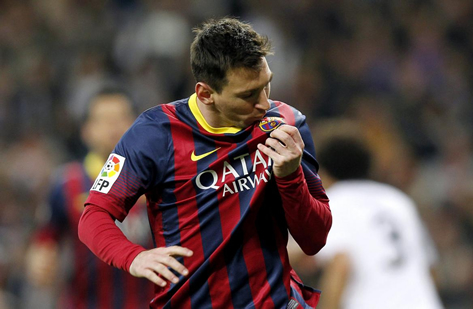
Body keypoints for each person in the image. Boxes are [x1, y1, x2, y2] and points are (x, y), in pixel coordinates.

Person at [78, 17, 332, 308]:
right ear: (205, 94)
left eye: (267, 85)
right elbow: (94, 215)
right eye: (248, 95)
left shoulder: (287, 124)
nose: (264, 103)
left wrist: (290, 177)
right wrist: (134, 257)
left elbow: (315, 239)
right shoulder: (154, 136)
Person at [26, 86, 154, 308]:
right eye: (104, 119)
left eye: (121, 117)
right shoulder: (67, 184)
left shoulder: (159, 180)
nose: (114, 126)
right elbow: (45, 239)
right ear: (86, 131)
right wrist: (39, 261)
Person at [311, 120, 443, 309]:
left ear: (322, 170)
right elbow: (430, 271)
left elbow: (341, 264)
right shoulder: (397, 200)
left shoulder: (334, 202)